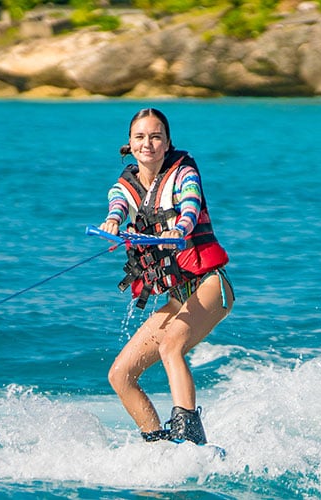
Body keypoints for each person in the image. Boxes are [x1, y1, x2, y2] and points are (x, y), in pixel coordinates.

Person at [99, 108, 234, 445]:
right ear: (129, 145)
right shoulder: (124, 187)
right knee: (120, 375)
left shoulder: (184, 173)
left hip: (210, 286)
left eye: (156, 136)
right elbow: (117, 206)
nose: (148, 143)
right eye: (140, 137)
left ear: (167, 142)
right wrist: (113, 223)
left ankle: (190, 439)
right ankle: (158, 445)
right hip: (179, 298)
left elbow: (190, 205)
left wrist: (181, 229)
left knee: (171, 345)